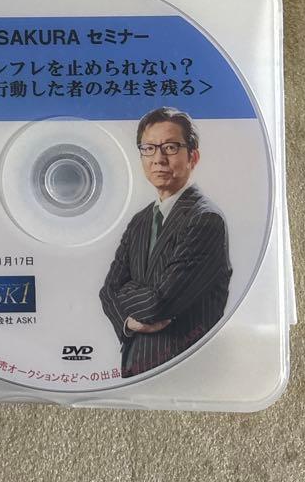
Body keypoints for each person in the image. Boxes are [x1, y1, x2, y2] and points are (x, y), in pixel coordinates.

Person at [99, 107, 231, 378]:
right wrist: (130, 321)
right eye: (148, 148)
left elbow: (158, 304)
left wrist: (126, 295)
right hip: (134, 371)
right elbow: (107, 291)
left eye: (170, 147)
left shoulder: (205, 220)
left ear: (193, 157)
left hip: (188, 372)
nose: (158, 159)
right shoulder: (140, 221)